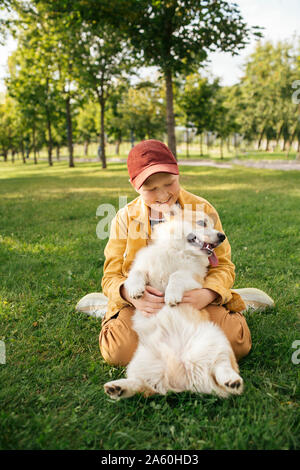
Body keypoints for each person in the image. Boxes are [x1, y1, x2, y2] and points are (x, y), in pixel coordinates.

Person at [99, 139, 251, 367]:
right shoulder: (124, 218)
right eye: (151, 189)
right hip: (145, 304)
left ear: (178, 173)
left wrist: (208, 294)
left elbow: (224, 266)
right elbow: (110, 277)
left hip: (193, 297)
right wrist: (129, 295)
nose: (162, 195)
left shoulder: (202, 209)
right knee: (120, 351)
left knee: (234, 342)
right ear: (135, 186)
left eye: (169, 183)